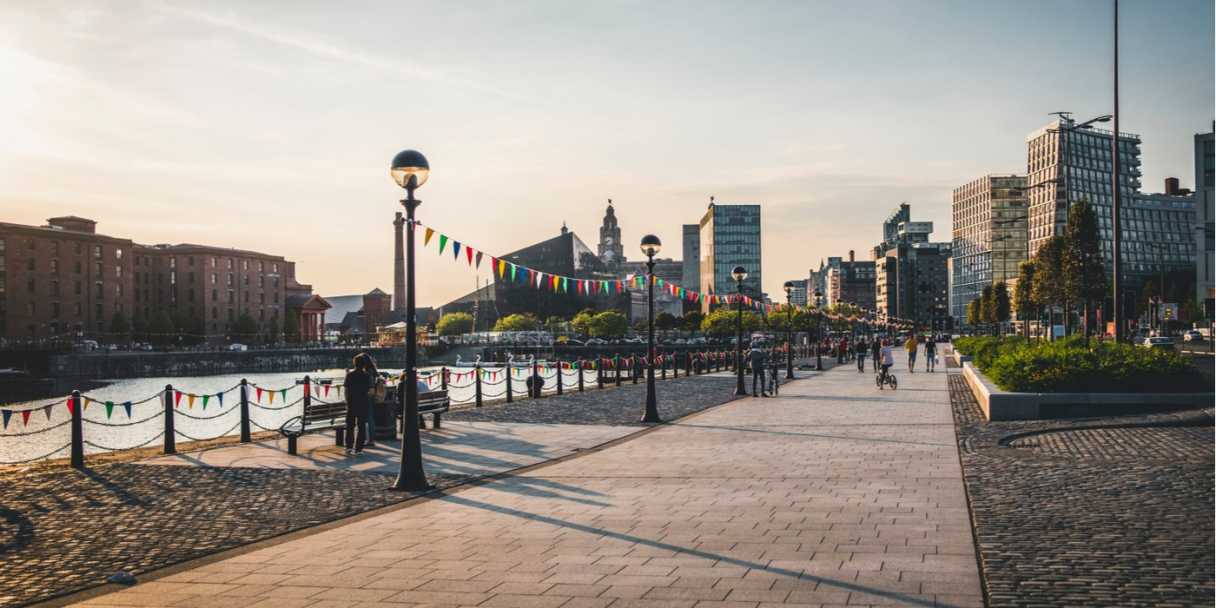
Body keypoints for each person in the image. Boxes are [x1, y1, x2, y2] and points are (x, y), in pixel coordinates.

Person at [343, 353, 375, 455]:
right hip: (363, 403)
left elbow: (346, 390)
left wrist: (347, 401)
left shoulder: (349, 375)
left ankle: (348, 446)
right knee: (361, 426)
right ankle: (358, 449)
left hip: (352, 403)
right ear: (364, 364)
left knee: (350, 426)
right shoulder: (367, 376)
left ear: (354, 364)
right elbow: (371, 391)